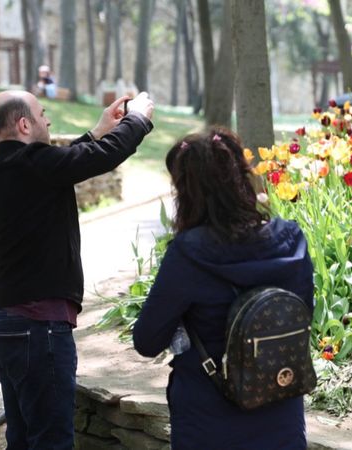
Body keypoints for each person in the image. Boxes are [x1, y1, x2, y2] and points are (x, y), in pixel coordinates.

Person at [0, 89, 154, 449]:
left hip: (2, 327)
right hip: (36, 328)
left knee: (23, 439)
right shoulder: (34, 166)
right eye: (42, 113)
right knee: (51, 442)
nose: (48, 119)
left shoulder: (1, 173)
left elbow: (62, 164)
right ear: (24, 124)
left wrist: (97, 132)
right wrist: (137, 119)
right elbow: (99, 158)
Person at [133, 128, 314, 449]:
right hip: (281, 411)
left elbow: (147, 340)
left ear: (187, 193)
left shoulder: (188, 254)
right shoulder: (291, 239)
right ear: (242, 177)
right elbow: (303, 315)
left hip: (209, 420)